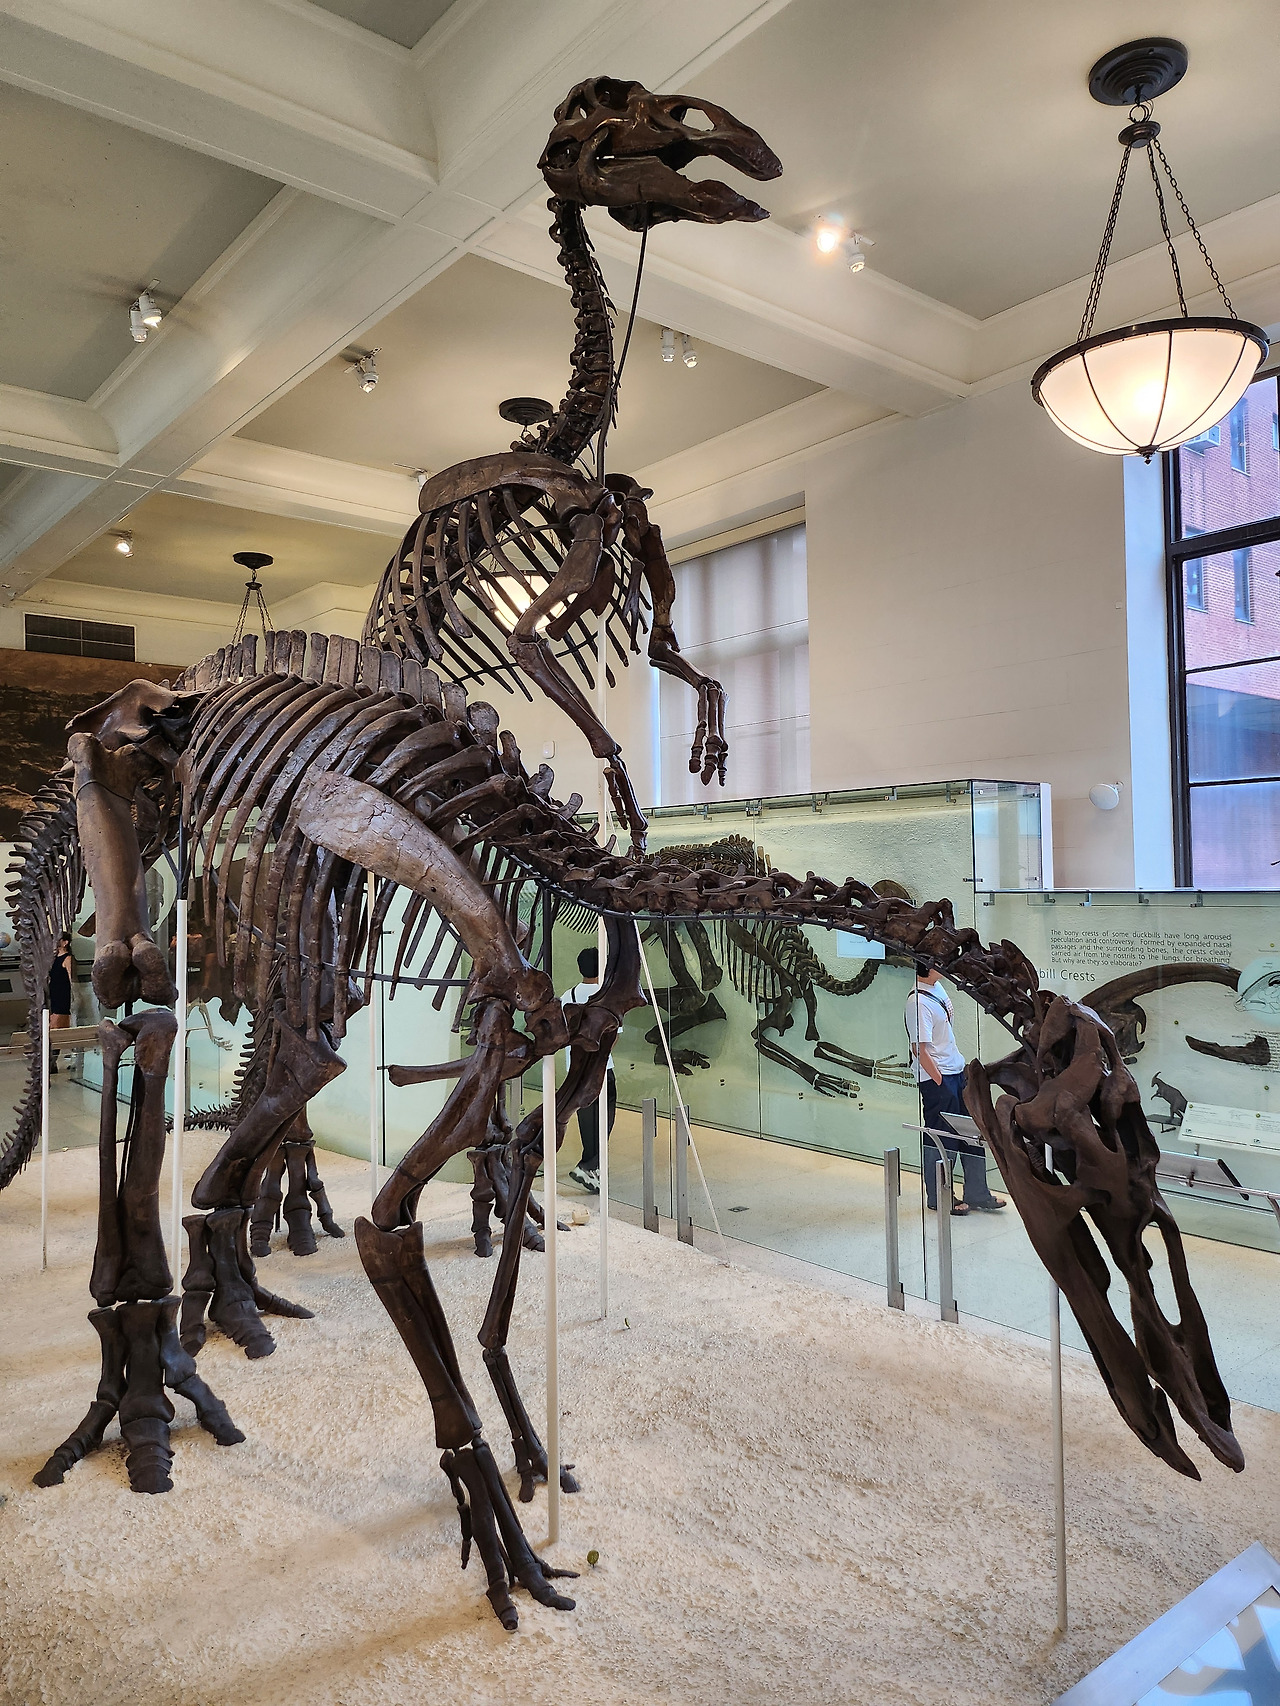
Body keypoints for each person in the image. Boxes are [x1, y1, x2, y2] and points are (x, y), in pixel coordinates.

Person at [904, 961, 1005, 1216]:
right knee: (942, 1137)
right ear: (927, 966)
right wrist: (940, 1081)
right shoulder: (917, 1003)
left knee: (971, 1133)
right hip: (940, 1080)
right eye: (939, 962)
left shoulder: (937, 988)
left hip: (956, 1072)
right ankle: (940, 1196)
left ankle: (977, 1192)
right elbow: (919, 1049)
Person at [562, 947, 616, 1194]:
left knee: (586, 1116)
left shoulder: (568, 996)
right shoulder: (606, 997)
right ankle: (588, 1164)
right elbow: (614, 1036)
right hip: (601, 1067)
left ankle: (590, 1166)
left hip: (576, 1067)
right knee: (606, 1116)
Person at [48, 931, 73, 1074]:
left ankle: (52, 1062)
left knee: (57, 1028)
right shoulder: (54, 959)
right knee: (51, 1027)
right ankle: (51, 1062)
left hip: (62, 998)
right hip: (53, 997)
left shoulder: (68, 959)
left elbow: (71, 979)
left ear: (65, 942)